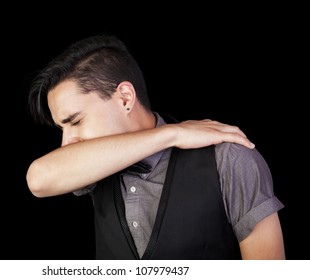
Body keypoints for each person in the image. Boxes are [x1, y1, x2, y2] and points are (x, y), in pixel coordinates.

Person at [26, 34, 285, 260]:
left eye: (76, 121)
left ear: (125, 98)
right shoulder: (91, 166)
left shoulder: (228, 157)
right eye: (62, 129)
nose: (66, 142)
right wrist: (171, 134)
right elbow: (38, 179)